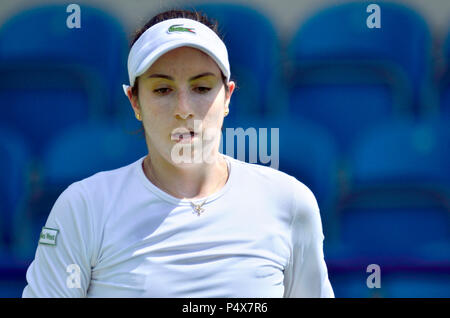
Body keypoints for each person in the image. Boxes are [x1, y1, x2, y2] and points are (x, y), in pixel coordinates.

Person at [22, 9, 334, 298]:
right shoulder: (84, 207)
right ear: (134, 102)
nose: (183, 109)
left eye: (201, 88)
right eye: (162, 90)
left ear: (228, 96)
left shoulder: (290, 202)